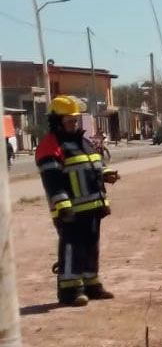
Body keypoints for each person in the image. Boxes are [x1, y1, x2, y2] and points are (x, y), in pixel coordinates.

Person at [36, 95, 120, 306]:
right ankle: (70, 291)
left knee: (91, 247)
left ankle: (92, 285)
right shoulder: (51, 145)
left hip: (93, 206)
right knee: (73, 248)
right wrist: (62, 204)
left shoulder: (83, 141)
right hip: (70, 210)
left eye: (75, 120)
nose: (73, 124)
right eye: (69, 121)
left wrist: (107, 174)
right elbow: (52, 179)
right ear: (57, 121)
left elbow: (96, 164)